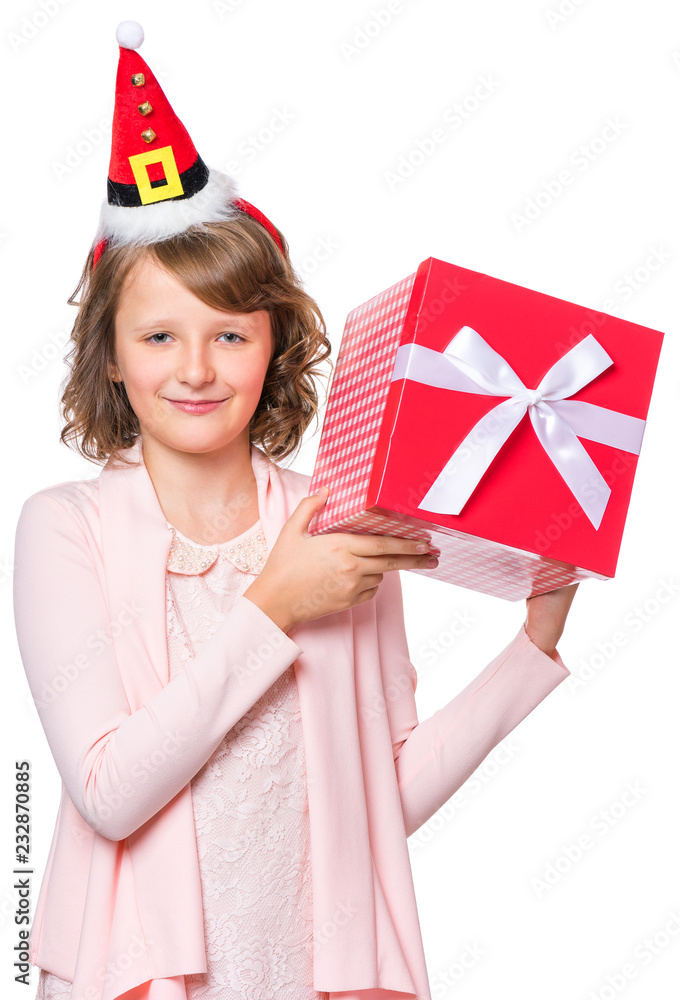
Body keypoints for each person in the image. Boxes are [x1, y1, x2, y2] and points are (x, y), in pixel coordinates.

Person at [12, 21, 578, 1000]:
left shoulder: (337, 520)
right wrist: (274, 600)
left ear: (273, 344)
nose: (194, 368)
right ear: (110, 353)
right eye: (158, 334)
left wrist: (531, 644)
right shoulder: (65, 530)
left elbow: (378, 797)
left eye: (229, 334)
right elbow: (109, 793)